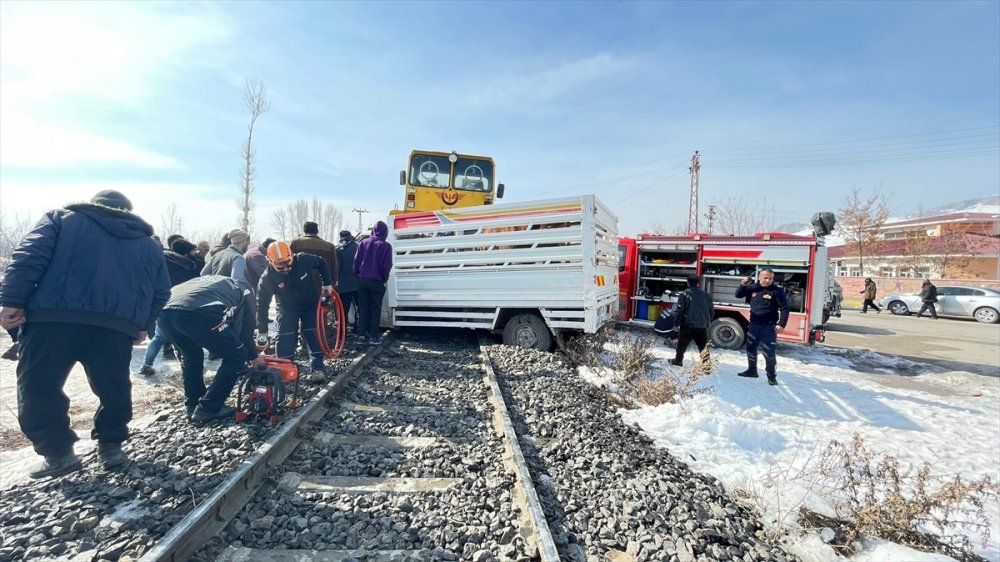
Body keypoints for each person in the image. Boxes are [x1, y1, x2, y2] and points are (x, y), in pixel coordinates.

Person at [0, 190, 171, 478]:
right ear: (128, 212)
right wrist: (143, 325)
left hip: (53, 320)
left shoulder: (60, 220)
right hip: (115, 327)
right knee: (114, 388)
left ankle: (58, 454)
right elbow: (161, 291)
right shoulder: (149, 245)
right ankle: (111, 447)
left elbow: (29, 258)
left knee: (39, 385)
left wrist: (12, 300)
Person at [156, 275, 267, 423]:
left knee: (191, 356)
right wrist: (253, 356)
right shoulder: (246, 292)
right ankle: (209, 408)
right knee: (237, 355)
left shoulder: (213, 283)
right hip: (196, 313)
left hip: (164, 314)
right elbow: (245, 331)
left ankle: (193, 404)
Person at [257, 241, 334, 376]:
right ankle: (284, 369)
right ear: (270, 261)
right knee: (285, 336)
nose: (285, 268)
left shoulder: (303, 259)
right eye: (280, 266)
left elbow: (321, 262)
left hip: (310, 305)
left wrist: (327, 283)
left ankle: (318, 368)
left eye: (288, 263)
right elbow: (262, 305)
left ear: (292, 256)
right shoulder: (267, 278)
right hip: (286, 308)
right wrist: (262, 330)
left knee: (313, 334)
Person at [138, 238, 202, 376]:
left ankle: (147, 364)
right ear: (186, 253)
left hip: (161, 302)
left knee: (159, 336)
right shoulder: (188, 266)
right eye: (193, 251)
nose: (195, 253)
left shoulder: (162, 260)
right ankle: (187, 365)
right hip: (181, 304)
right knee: (183, 335)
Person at [735, 269, 789, 386]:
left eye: (770, 278)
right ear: (759, 277)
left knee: (769, 353)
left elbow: (785, 308)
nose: (768, 280)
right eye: (765, 278)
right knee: (750, 349)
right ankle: (752, 371)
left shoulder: (777, 291)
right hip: (754, 325)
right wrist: (743, 285)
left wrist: (781, 324)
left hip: (769, 327)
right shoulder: (753, 288)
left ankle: (771, 377)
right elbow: (738, 295)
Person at [353, 221, 393, 345]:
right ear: (385, 232)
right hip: (377, 282)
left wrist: (358, 275)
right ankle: (373, 337)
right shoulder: (386, 246)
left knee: (363, 309)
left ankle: (361, 336)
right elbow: (387, 266)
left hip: (362, 281)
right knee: (375, 309)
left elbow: (356, 262)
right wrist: (384, 279)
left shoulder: (362, 243)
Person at [669, 276, 714, 367]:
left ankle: (678, 360)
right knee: (703, 346)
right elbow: (711, 311)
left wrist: (676, 323)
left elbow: (680, 310)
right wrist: (706, 321)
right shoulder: (706, 294)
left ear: (688, 283)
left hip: (687, 324)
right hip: (702, 325)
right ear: (698, 283)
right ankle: (706, 365)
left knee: (682, 344)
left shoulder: (684, 294)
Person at [336, 230, 360, 332]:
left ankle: (343, 332)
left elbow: (337, 268)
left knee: (343, 309)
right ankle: (360, 330)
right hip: (359, 282)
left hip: (344, 284)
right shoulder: (359, 246)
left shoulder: (339, 249)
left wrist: (335, 282)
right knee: (360, 308)